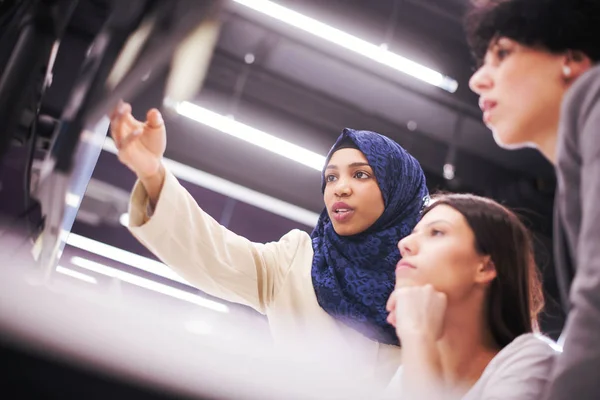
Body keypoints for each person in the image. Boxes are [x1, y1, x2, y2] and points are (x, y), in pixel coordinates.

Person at [109, 101, 429, 381]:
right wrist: (153, 174)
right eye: (331, 177)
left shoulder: (432, 280)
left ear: (398, 190)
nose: (339, 188)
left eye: (360, 174)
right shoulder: (299, 261)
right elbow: (214, 256)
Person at [465, 0, 600, 398]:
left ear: (572, 59)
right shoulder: (572, 187)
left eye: (502, 53)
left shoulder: (593, 95)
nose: (477, 80)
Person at [385, 193, 558, 400]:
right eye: (414, 232)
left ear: (486, 267)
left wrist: (417, 336)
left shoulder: (534, 362)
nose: (404, 243)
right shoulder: (406, 374)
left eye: (437, 232)